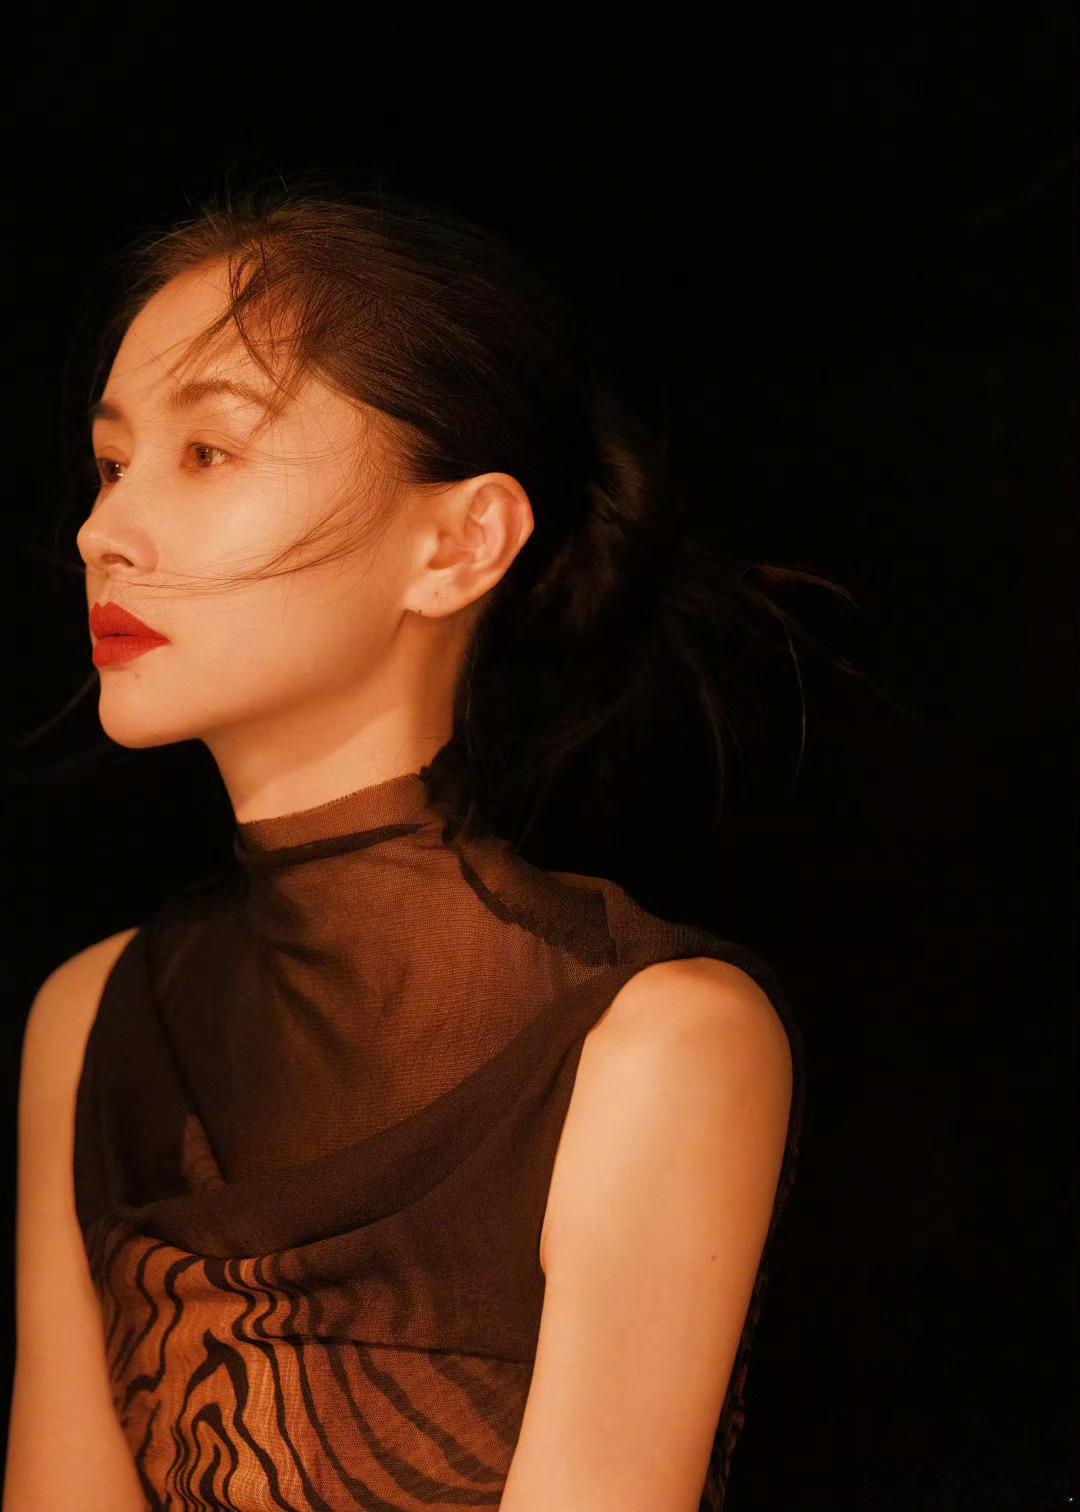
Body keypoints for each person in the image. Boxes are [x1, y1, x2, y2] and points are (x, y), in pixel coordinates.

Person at [6, 183, 832, 1511]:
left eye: (208, 451)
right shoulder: (88, 1021)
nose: (103, 533)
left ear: (459, 543)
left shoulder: (650, 1042)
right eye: (111, 465)